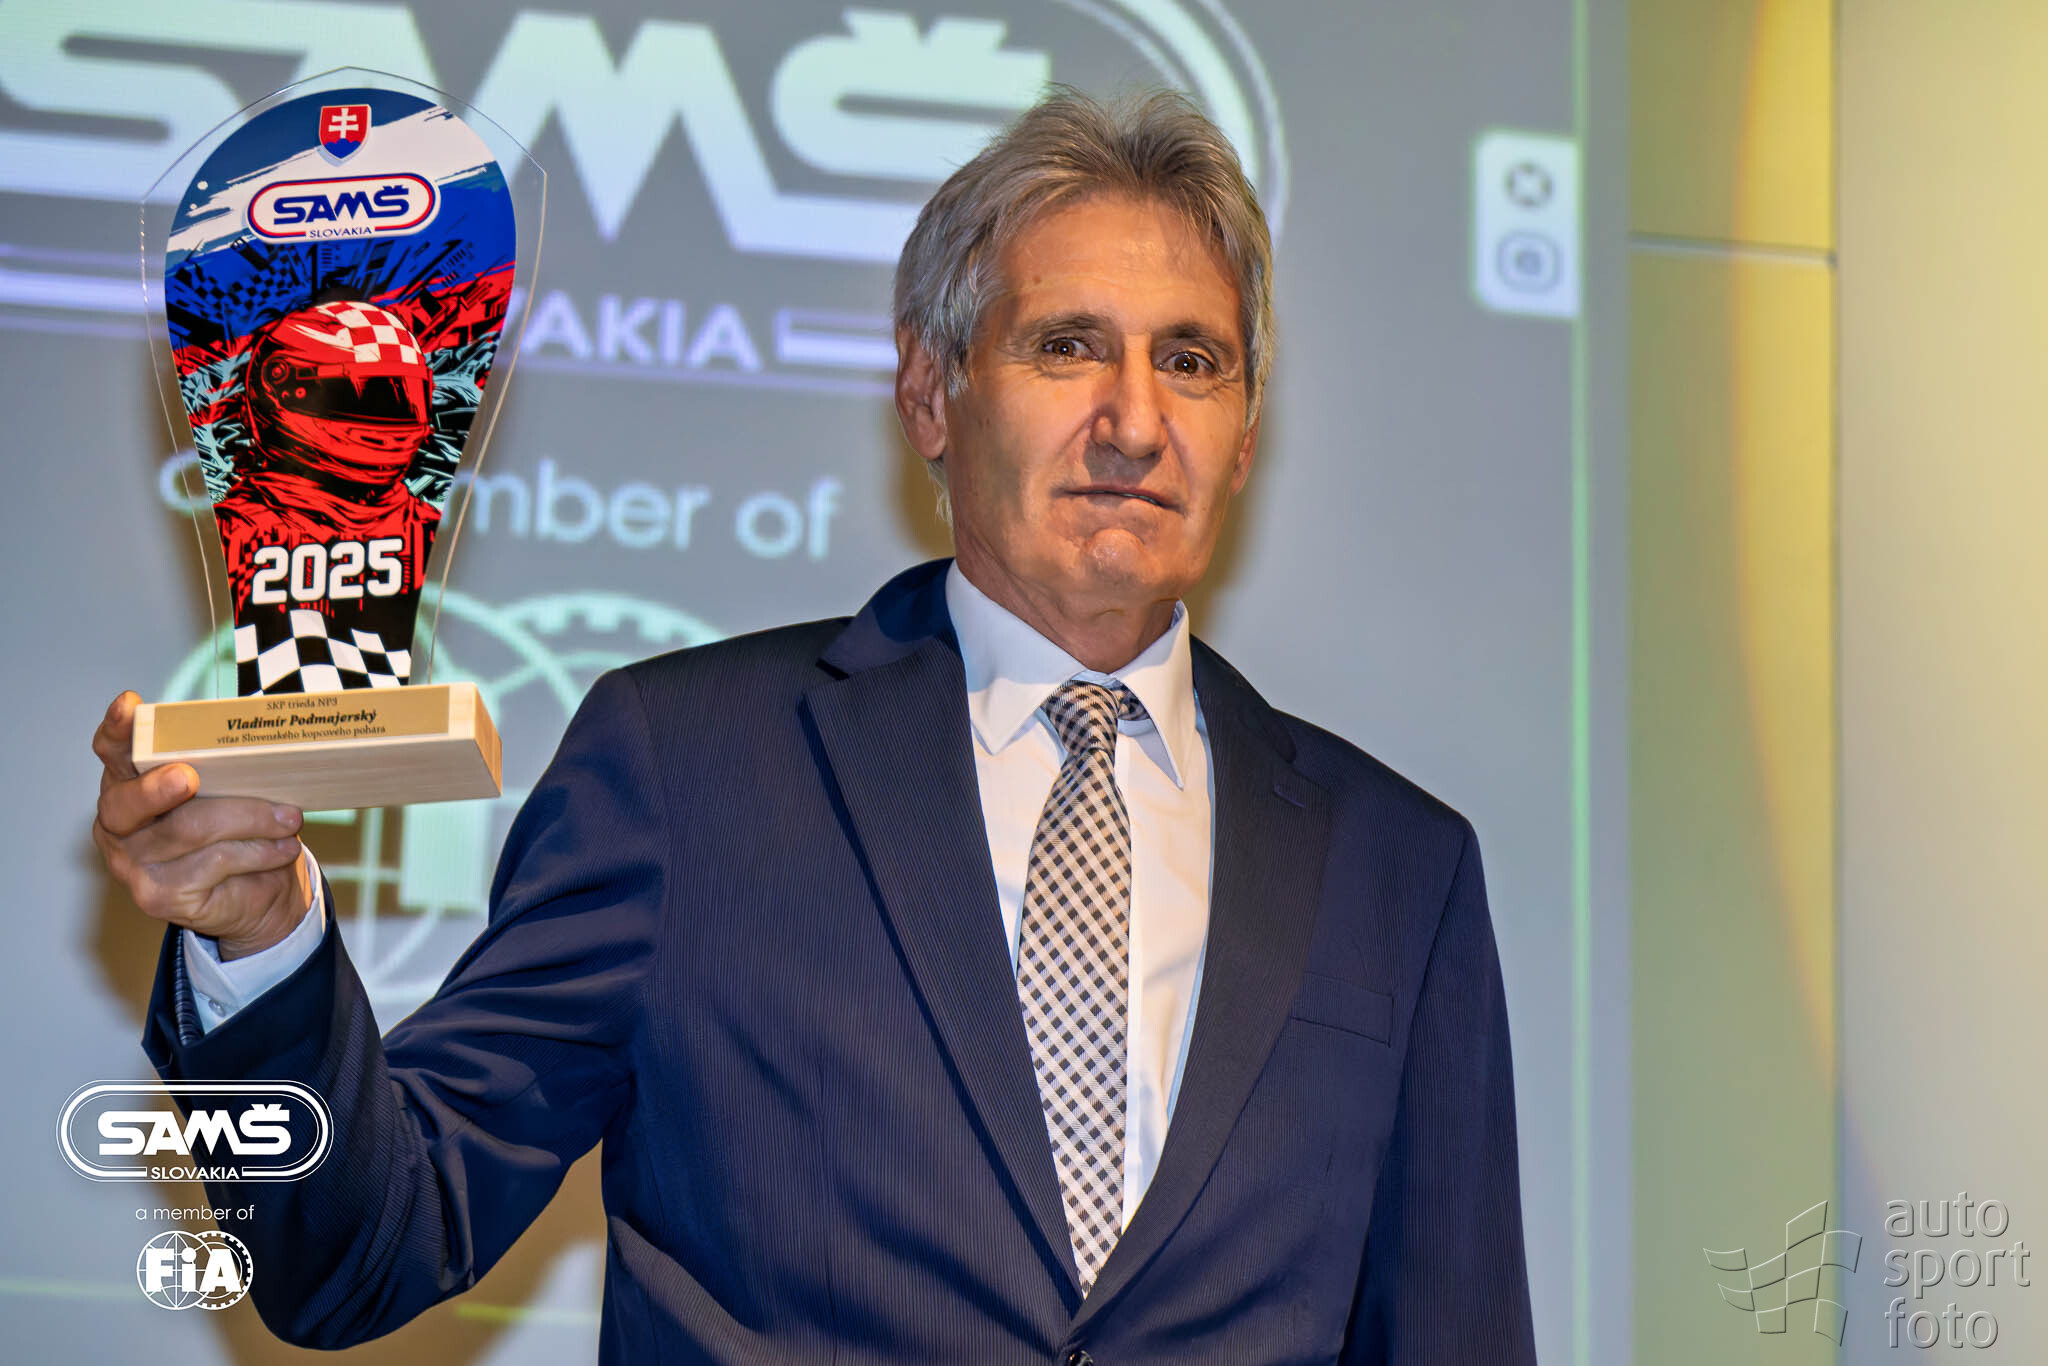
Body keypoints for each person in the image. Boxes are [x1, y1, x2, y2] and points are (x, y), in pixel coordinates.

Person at [91, 90, 1536, 1363]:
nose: (1136, 420)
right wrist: (259, 943)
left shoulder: (1399, 871)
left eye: (1195, 362)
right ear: (929, 391)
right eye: (1068, 346)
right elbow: (367, 1246)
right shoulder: (685, 768)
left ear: (1248, 426)